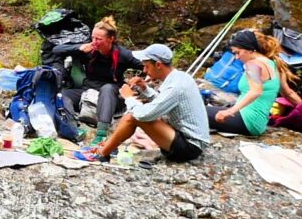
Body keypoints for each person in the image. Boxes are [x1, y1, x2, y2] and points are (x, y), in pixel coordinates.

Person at [73, 43, 209, 163]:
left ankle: (102, 154)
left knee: (133, 117)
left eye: (146, 66)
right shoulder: (179, 77)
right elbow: (163, 104)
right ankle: (107, 148)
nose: (144, 71)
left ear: (158, 65)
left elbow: (145, 115)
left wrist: (128, 97)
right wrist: (145, 89)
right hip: (185, 138)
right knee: (134, 115)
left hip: (190, 147)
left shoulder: (176, 86)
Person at [63, 16, 132, 131]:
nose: (94, 42)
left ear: (111, 38)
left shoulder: (122, 54)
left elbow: (145, 65)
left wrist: (139, 82)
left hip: (112, 96)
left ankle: (101, 132)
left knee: (107, 88)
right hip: (88, 91)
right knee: (62, 94)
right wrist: (79, 48)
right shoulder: (89, 50)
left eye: (99, 39)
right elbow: (57, 50)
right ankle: (72, 126)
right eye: (93, 38)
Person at [210, 29, 282, 138]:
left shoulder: (252, 65)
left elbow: (256, 91)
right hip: (258, 122)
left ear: (249, 49)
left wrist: (229, 111)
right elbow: (285, 91)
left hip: (246, 120)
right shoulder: (271, 63)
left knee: (194, 112)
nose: (237, 57)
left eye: (238, 52)